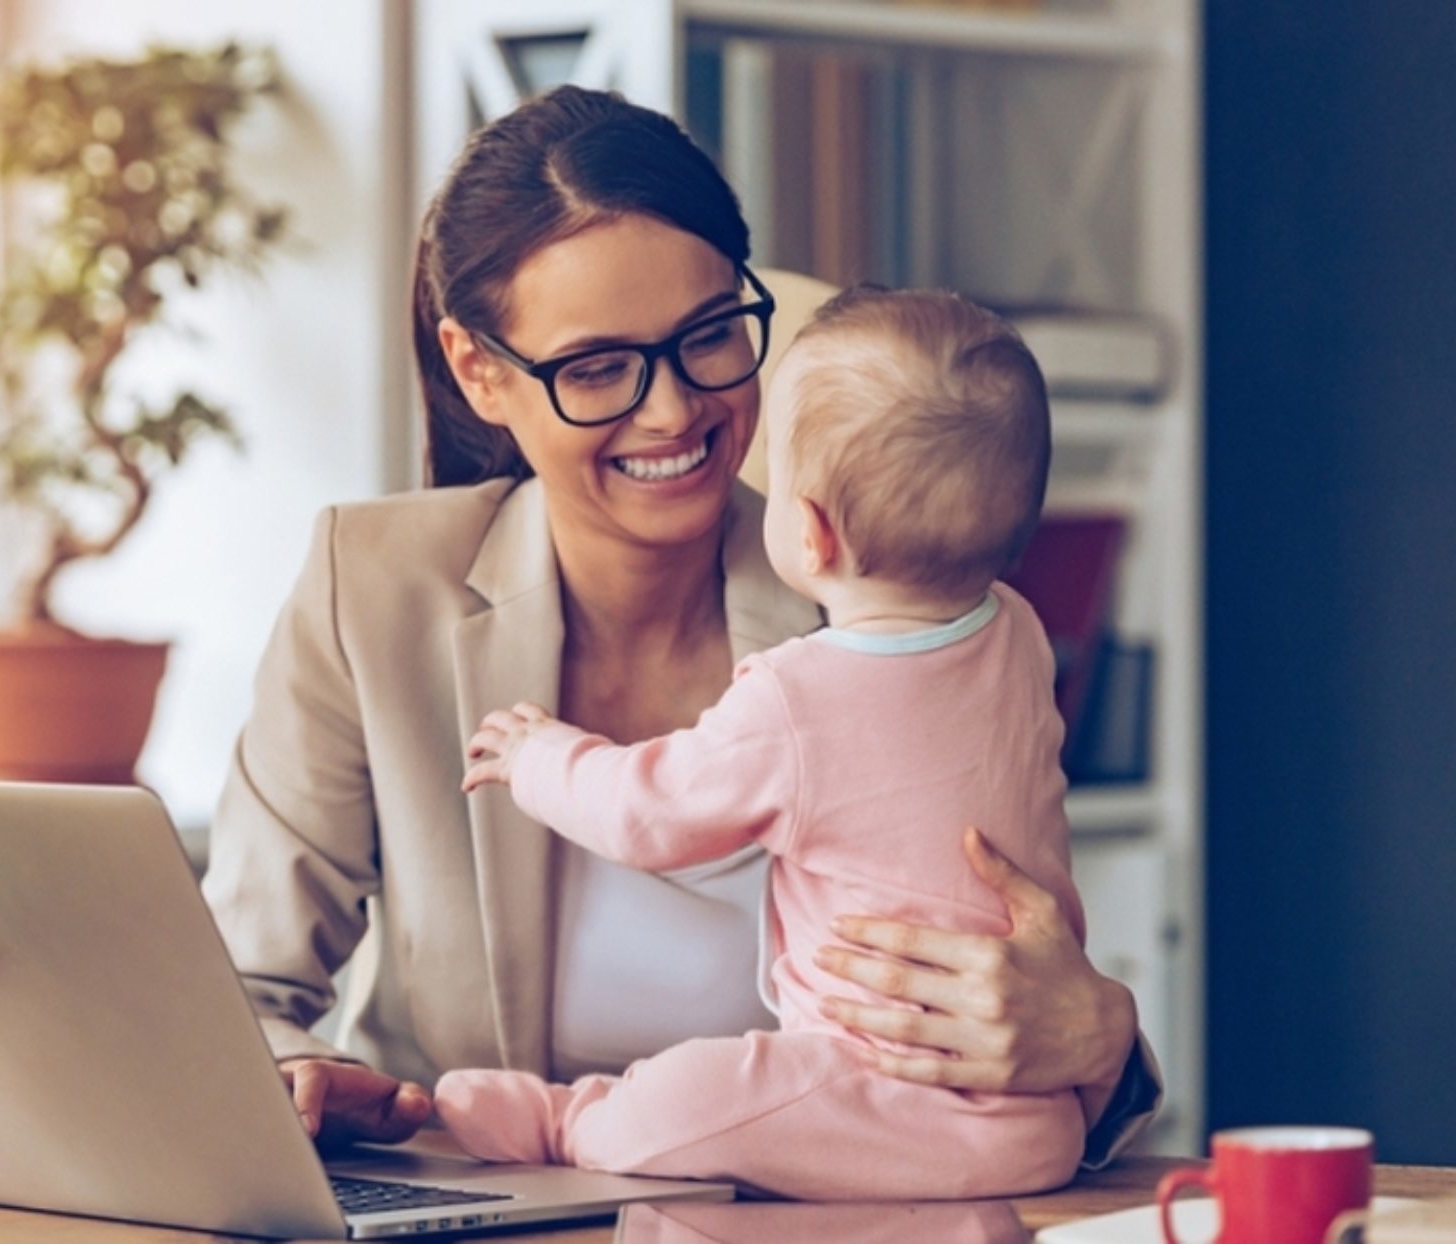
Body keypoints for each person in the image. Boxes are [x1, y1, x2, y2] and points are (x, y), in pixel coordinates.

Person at [200, 84, 1159, 1165]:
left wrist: (1098, 1034)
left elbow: (1018, 949)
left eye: (708, 336)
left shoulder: (888, 595)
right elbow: (235, 988)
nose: (672, 410)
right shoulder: (369, 589)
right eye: (597, 367)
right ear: (480, 371)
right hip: (480, 1204)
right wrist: (296, 1078)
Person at [433, 287, 1083, 1200]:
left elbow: (649, 813)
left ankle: (567, 1119)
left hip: (873, 1082)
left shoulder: (798, 696)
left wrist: (537, 756)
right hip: (1035, 1120)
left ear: (809, 534)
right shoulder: (1016, 636)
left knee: (698, 1091)